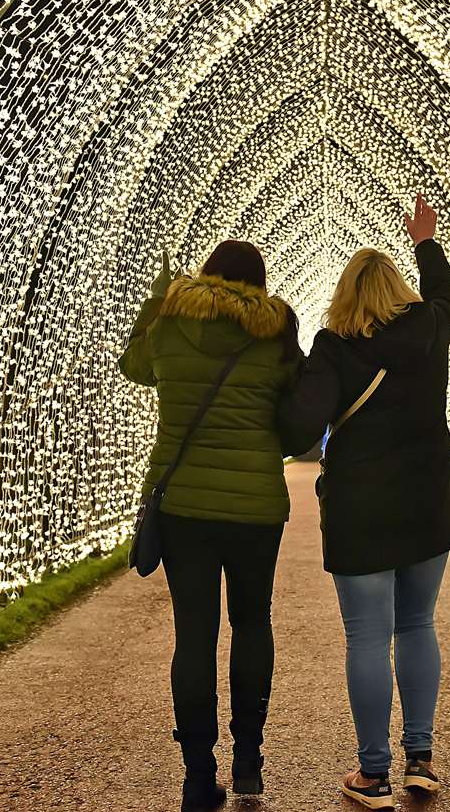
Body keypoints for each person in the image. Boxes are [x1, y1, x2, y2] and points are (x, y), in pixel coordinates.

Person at [280, 196, 450, 809]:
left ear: (342, 299)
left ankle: (375, 774)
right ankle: (421, 759)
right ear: (401, 293)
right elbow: (447, 298)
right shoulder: (428, 330)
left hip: (361, 508)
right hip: (426, 500)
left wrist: (292, 367)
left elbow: (296, 432)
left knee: (366, 638)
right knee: (418, 624)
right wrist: (426, 241)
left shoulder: (334, 348)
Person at [119, 239, 303, 811]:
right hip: (255, 507)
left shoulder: (173, 323)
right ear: (260, 285)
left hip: (183, 508)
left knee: (193, 632)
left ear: (206, 275)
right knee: (252, 621)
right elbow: (294, 415)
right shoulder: (277, 332)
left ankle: (198, 776)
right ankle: (249, 760)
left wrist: (155, 303)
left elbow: (134, 367)